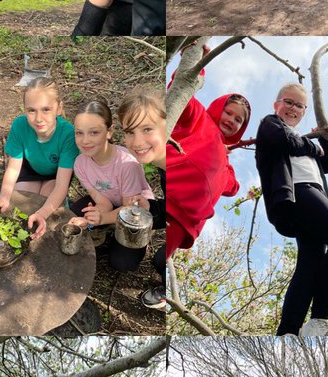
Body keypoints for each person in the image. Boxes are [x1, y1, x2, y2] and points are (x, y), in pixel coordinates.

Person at [255, 83, 328, 337]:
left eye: (299, 105)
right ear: (277, 104)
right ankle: (319, 317)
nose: (293, 108)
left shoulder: (306, 142)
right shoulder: (270, 124)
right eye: (288, 102)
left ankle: (288, 330)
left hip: (315, 196)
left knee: (310, 261)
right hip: (297, 192)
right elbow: (284, 141)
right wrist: (313, 146)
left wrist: (324, 141)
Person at [164, 68, 247, 270]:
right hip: (167, 196)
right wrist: (197, 61)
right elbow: (181, 89)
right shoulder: (199, 117)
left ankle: (158, 289)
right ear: (218, 108)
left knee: (162, 255)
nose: (231, 120)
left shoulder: (225, 167)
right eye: (229, 112)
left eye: (238, 120)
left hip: (184, 220)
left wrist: (225, 157)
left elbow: (233, 187)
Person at [0, 77, 75, 240]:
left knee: (46, 205)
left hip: (56, 174)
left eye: (46, 109)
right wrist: (4, 196)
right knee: (21, 206)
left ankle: (62, 206)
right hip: (30, 169)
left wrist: (42, 213)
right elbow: (13, 167)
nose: (39, 118)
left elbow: (62, 184)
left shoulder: (68, 133)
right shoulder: (19, 125)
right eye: (31, 110)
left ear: (59, 108)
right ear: (24, 110)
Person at [67, 99, 156, 270]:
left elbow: (131, 212)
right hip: (110, 200)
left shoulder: (127, 164)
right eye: (79, 133)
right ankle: (103, 229)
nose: (85, 141)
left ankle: (109, 228)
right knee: (71, 216)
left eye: (94, 133)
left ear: (109, 131)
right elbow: (103, 202)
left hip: (137, 212)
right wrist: (89, 220)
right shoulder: (80, 163)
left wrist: (99, 219)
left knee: (122, 264)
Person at [119, 87, 169, 309]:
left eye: (147, 129)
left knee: (162, 260)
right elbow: (171, 209)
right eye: (130, 132)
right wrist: (152, 208)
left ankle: (168, 292)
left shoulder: (174, 165)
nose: (137, 142)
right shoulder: (162, 166)